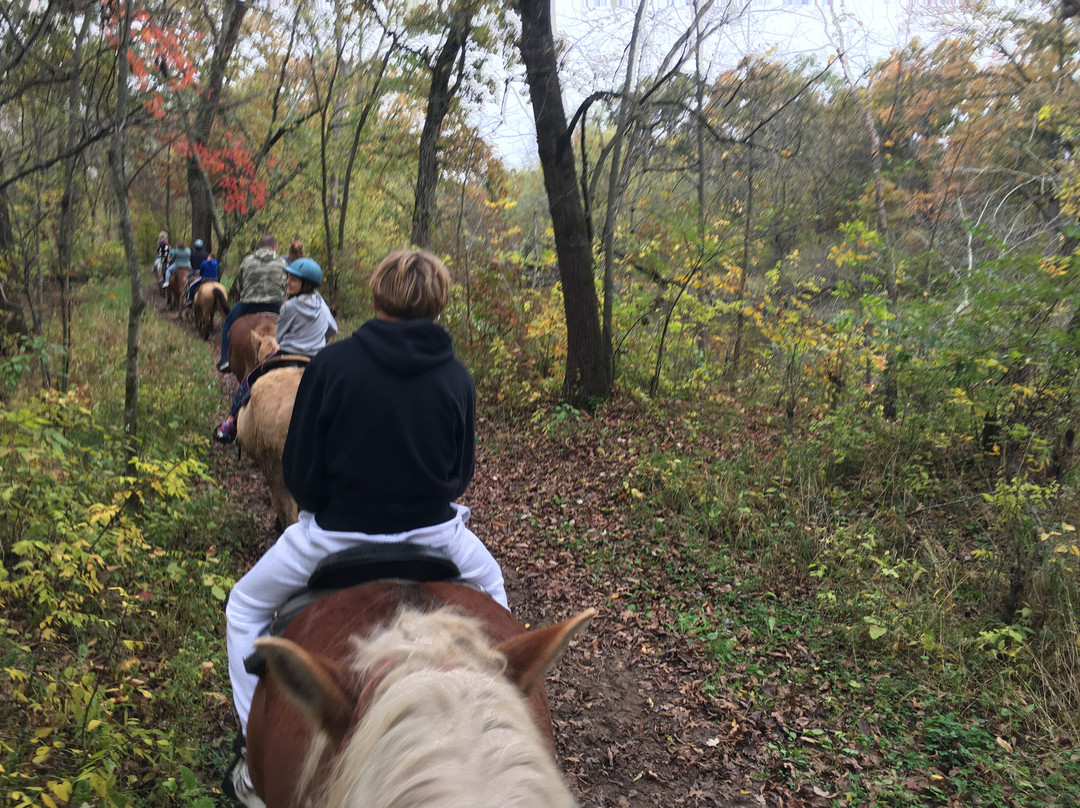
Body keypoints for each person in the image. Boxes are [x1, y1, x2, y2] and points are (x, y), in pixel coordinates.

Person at [222, 249, 505, 807]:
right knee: (497, 602)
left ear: (375, 298)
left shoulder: (331, 366)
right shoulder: (457, 377)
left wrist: (334, 507)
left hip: (335, 535)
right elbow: (459, 475)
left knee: (243, 608)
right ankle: (495, 718)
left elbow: (300, 470)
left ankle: (255, 766)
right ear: (439, 307)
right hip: (436, 534)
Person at [212, 257, 337, 443]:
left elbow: (280, 336)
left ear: (306, 284)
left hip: (287, 355)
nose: (288, 282)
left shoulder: (289, 306)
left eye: (293, 280)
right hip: (316, 359)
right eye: (288, 278)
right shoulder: (322, 304)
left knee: (248, 381)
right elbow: (332, 329)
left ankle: (229, 424)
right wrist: (318, 341)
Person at [216, 234, 287, 373]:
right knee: (295, 326)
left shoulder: (247, 260)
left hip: (249, 303)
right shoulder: (282, 262)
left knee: (228, 324)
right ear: (274, 247)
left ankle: (224, 360)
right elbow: (286, 283)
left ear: (259, 247)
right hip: (276, 304)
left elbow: (241, 282)